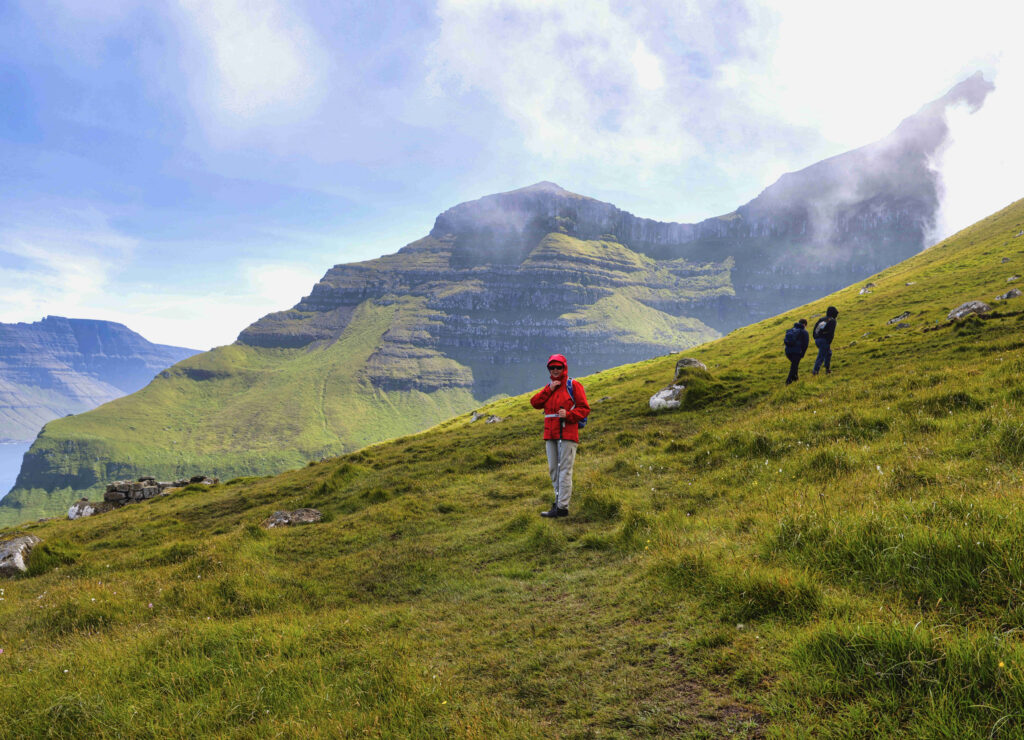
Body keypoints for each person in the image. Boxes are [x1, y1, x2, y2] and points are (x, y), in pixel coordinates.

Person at [530, 354, 590, 518]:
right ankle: (557, 504)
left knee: (564, 470)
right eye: (552, 368)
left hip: (567, 434)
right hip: (550, 435)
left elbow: (584, 408)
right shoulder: (550, 387)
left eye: (558, 367)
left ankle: (562, 508)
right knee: (554, 471)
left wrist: (569, 414)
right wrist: (549, 389)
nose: (555, 370)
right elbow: (535, 403)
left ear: (564, 368)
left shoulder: (574, 385)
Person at [812, 306, 839, 375]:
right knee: (821, 355)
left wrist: (816, 337)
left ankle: (827, 369)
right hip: (824, 341)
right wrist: (828, 341)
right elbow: (831, 332)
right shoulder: (832, 321)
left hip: (817, 339)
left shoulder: (822, 319)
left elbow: (816, 330)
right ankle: (815, 371)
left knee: (828, 353)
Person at [784, 318, 809, 385]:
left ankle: (795, 378)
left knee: (795, 365)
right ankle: (788, 382)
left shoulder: (792, 330)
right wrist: (802, 353)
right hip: (796, 351)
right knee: (794, 366)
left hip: (788, 351)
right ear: (805, 324)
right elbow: (805, 344)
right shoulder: (804, 332)